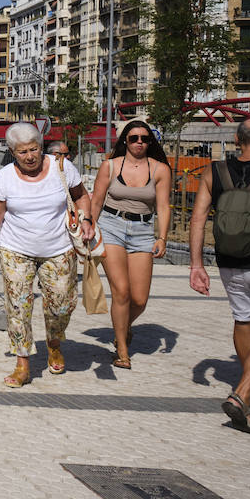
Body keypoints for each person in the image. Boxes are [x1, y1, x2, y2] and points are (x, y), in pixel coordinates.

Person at [0, 122, 94, 387]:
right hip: (15, 250)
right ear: (12, 152)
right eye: (22, 152)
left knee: (62, 304)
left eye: (34, 149)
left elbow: (81, 197)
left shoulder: (61, 168)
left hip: (59, 249)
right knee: (18, 307)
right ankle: (22, 364)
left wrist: (86, 220)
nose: (30, 156)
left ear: (42, 147)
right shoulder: (5, 177)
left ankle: (54, 341)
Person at [189, 116, 250, 433]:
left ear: (237, 139)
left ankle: (249, 392)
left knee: (243, 320)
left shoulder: (214, 171)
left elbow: (198, 219)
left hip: (228, 261)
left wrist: (196, 265)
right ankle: (244, 393)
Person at [90, 120, 171, 370]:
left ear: (150, 142)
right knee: (121, 291)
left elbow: (163, 206)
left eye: (144, 139)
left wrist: (162, 237)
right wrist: (89, 227)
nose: (139, 142)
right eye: (134, 137)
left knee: (139, 299)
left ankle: (122, 328)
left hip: (143, 232)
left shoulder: (159, 169)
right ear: (125, 139)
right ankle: (122, 350)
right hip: (111, 227)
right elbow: (96, 201)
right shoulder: (110, 166)